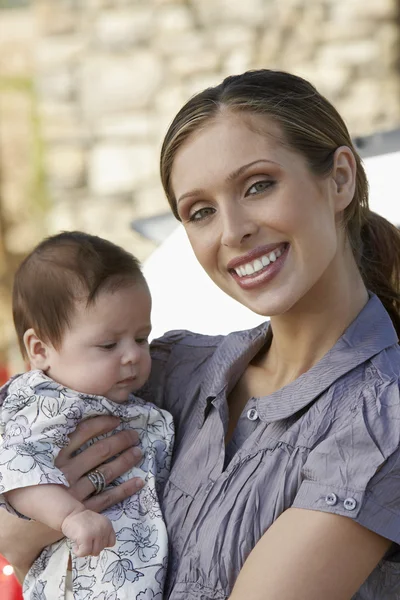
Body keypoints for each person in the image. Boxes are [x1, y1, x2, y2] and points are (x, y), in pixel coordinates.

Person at [1, 69, 400, 600]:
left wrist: (35, 526)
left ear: (340, 179)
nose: (232, 231)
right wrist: (34, 520)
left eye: (259, 185)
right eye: (201, 212)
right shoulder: (161, 370)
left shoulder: (382, 414)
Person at [0, 231, 174, 600]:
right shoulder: (38, 399)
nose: (132, 356)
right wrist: (69, 517)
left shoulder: (122, 394)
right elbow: (14, 467)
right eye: (109, 344)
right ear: (40, 348)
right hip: (76, 574)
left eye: (141, 338)